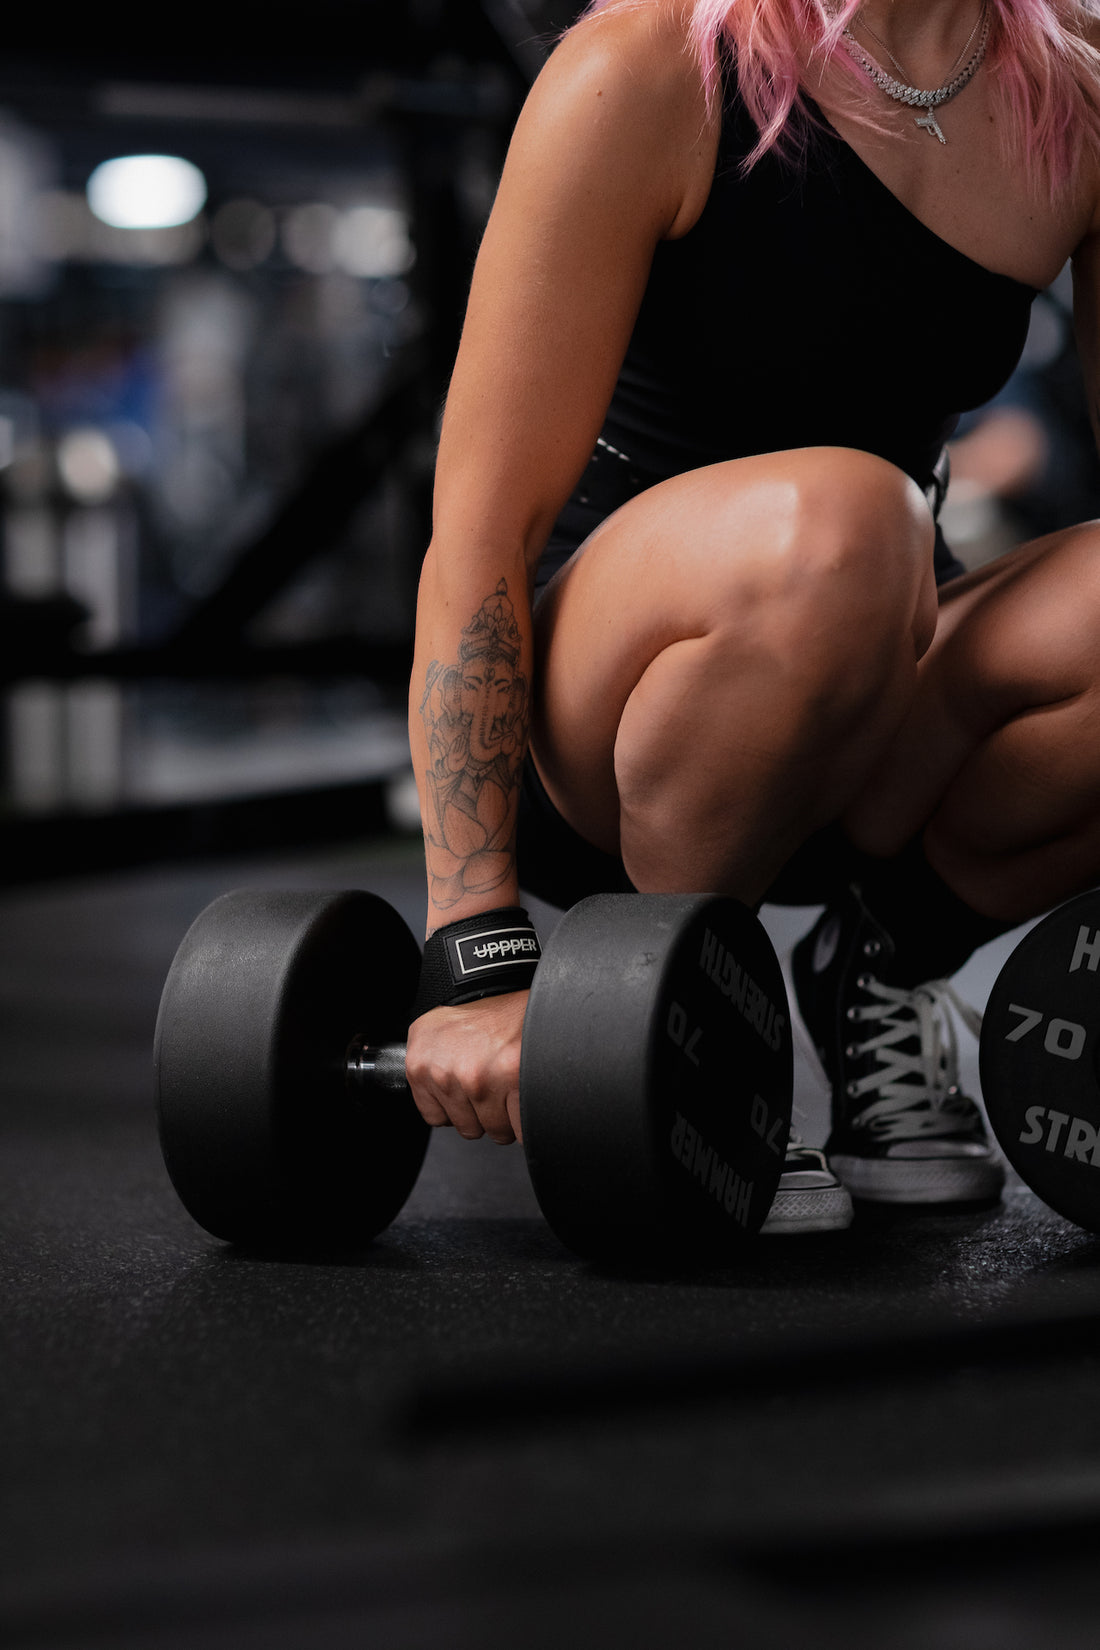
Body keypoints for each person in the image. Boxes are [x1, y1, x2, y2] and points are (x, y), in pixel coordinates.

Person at [403, 0, 1100, 1235]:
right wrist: (476, 949)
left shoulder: (1078, 95)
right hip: (604, 723)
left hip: (874, 689)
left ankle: (877, 967)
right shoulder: (651, 66)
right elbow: (479, 535)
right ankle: (691, 1004)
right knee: (843, 526)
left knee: (867, 539)